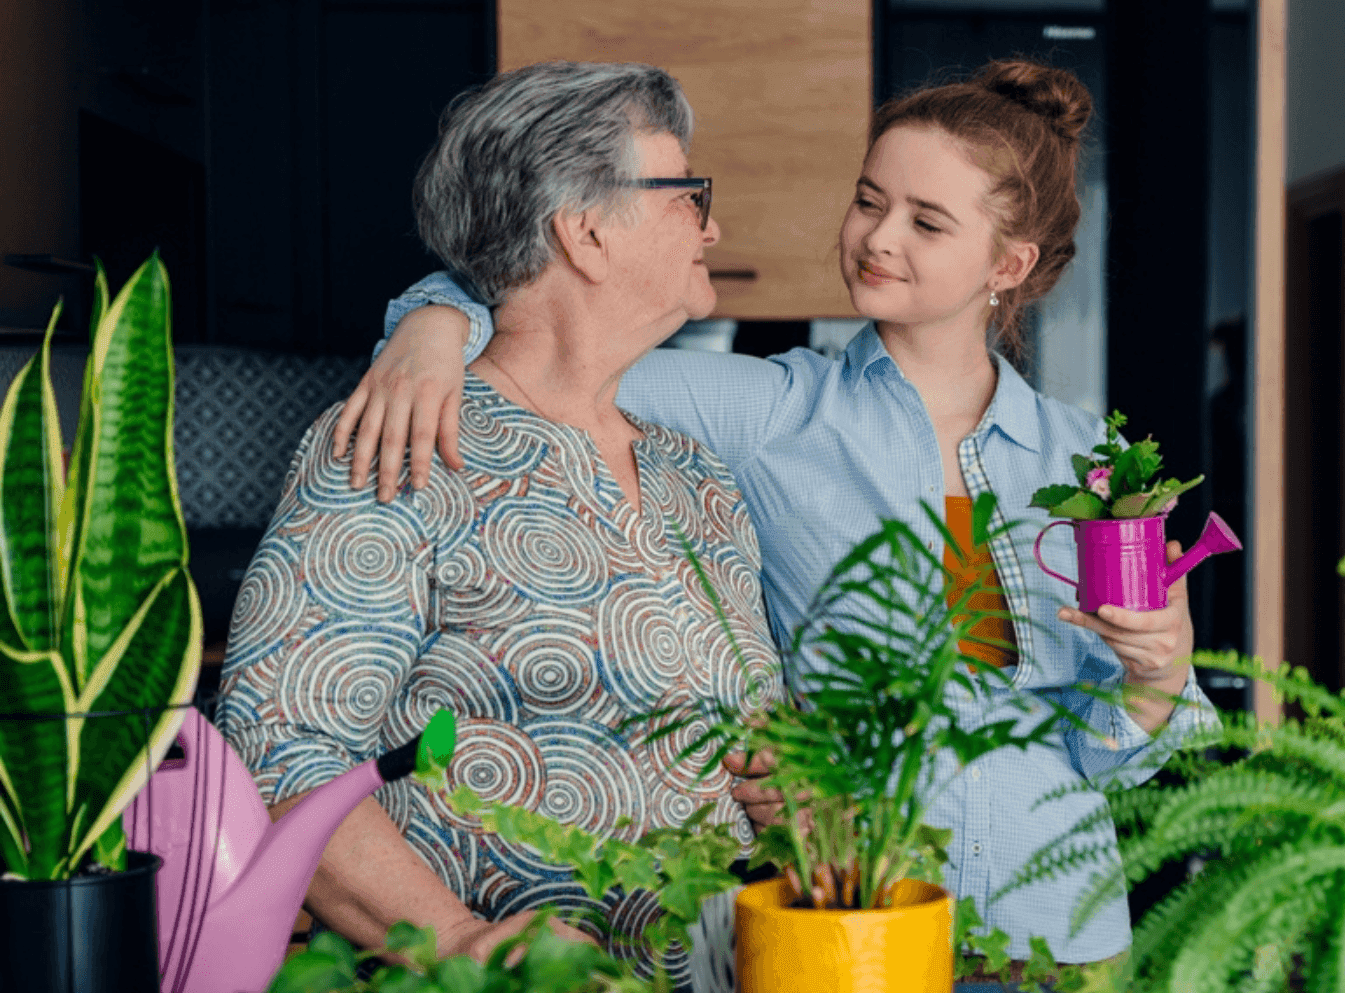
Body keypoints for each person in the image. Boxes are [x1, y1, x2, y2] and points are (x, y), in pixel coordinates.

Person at [342, 60, 1220, 971]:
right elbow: (543, 327)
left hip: (1063, 932)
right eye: (869, 200)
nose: (878, 238)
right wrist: (429, 324)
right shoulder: (766, 411)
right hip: (851, 928)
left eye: (926, 221)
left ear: (1009, 264)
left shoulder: (1089, 462)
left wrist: (1158, 673)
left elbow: (1106, 753)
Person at [215, 61, 780, 987]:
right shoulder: (405, 439)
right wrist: (465, 943)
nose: (712, 225)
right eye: (688, 194)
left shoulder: (696, 476)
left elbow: (754, 743)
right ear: (587, 231)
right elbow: (277, 748)